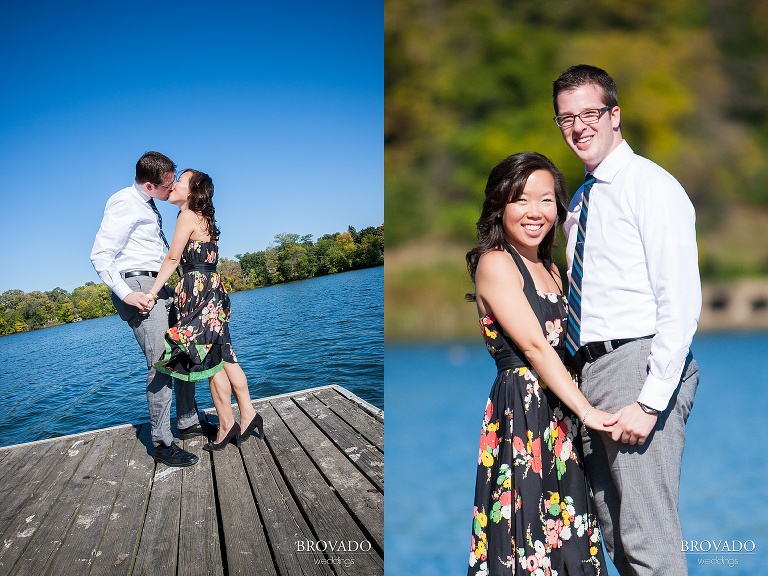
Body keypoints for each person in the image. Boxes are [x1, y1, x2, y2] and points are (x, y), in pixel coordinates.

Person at [552, 64, 701, 575]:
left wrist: (650, 400)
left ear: (615, 115)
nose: (578, 126)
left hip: (637, 366)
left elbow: (679, 303)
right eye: (566, 118)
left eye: (590, 112)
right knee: (618, 538)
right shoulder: (581, 201)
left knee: (648, 540)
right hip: (591, 376)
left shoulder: (650, 187)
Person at [465, 152, 609, 576]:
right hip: (524, 411)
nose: (535, 212)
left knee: (572, 539)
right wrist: (588, 410)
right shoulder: (495, 263)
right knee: (527, 538)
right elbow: (535, 348)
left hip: (560, 412)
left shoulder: (551, 268)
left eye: (546, 200)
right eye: (521, 200)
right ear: (499, 206)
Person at [91, 152, 215, 467]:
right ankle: (161, 443)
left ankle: (188, 420)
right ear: (150, 185)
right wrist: (124, 293)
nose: (171, 189)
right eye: (167, 185)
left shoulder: (148, 205)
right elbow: (100, 254)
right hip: (138, 287)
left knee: (186, 349)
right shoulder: (124, 202)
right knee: (160, 360)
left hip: (159, 285)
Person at [146, 169, 263, 452]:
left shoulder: (187, 216)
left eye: (181, 181)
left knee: (210, 359)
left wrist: (152, 292)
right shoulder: (205, 218)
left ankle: (227, 425)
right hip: (213, 287)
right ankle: (247, 415)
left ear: (194, 190)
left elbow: (174, 257)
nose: (173, 185)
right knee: (224, 354)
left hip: (197, 291)